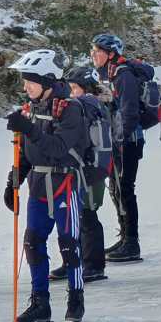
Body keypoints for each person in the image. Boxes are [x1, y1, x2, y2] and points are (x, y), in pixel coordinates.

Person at [3, 49, 88, 322]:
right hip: (38, 186)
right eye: (25, 81)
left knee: (69, 244)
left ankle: (76, 299)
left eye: (31, 81)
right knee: (33, 243)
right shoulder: (33, 108)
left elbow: (58, 148)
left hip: (65, 183)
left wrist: (29, 129)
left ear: (48, 81)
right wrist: (12, 181)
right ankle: (40, 304)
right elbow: (27, 153)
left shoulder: (71, 109)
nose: (25, 87)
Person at [49, 67, 113, 283]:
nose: (70, 91)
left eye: (74, 88)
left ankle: (93, 264)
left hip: (90, 168)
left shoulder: (88, 106)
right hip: (82, 168)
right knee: (72, 215)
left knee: (86, 215)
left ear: (85, 89)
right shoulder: (89, 105)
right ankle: (74, 261)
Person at [90, 33, 144, 262]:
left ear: (111, 54)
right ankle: (124, 237)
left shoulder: (123, 75)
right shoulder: (107, 74)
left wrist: (121, 139)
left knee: (125, 188)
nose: (93, 55)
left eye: (98, 51)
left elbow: (130, 112)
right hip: (116, 139)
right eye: (92, 51)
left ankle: (132, 242)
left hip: (128, 141)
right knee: (116, 188)